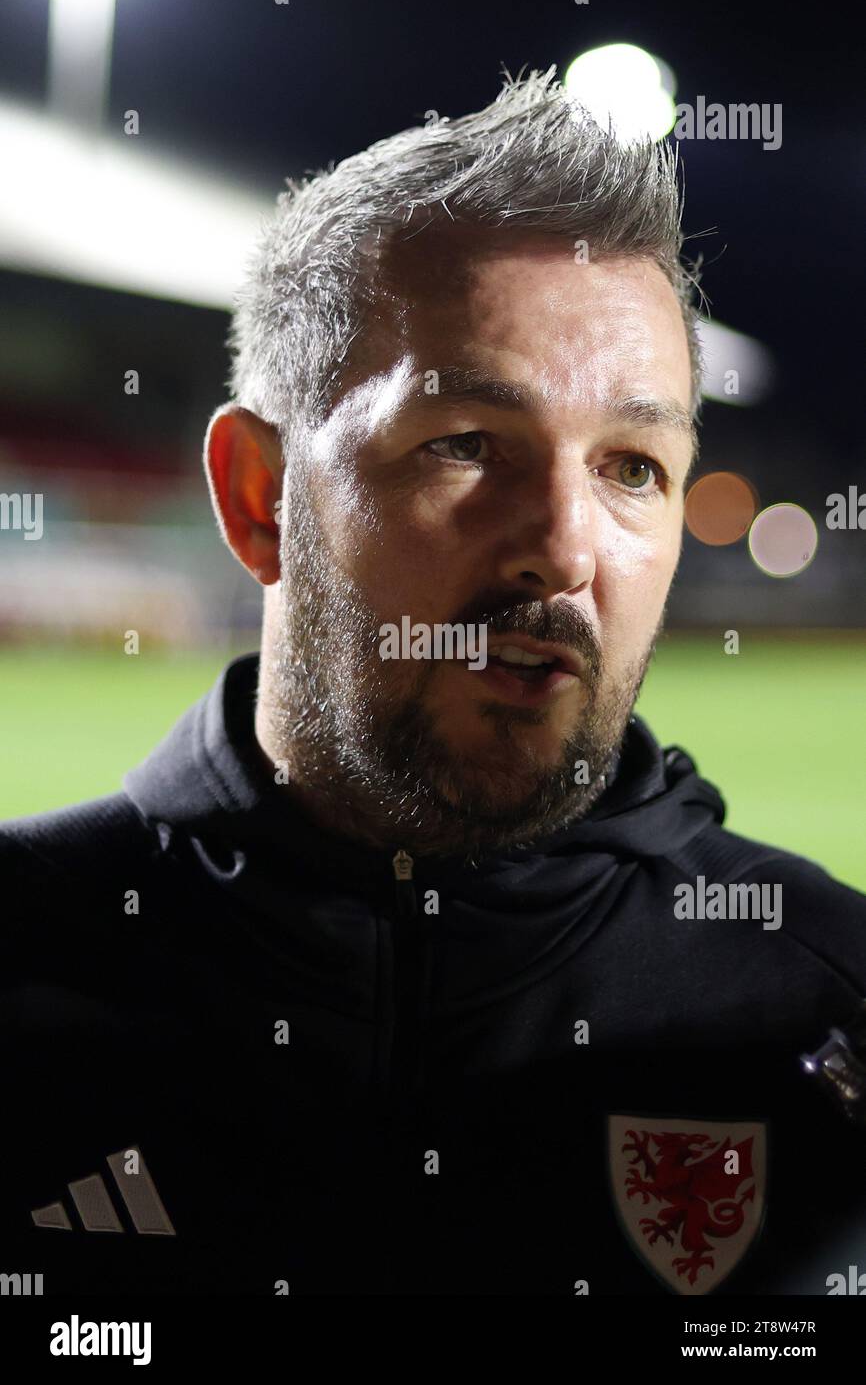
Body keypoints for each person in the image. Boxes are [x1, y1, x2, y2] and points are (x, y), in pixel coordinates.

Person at [3, 68, 866, 1298]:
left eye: (630, 466)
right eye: (466, 444)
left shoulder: (824, 1006)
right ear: (261, 497)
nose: (565, 548)